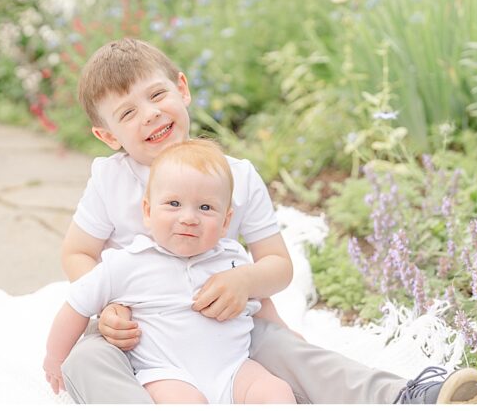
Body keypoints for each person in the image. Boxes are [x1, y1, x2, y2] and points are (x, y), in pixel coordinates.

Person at [56, 38, 477, 404]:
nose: (149, 113)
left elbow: (277, 265)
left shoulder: (237, 175)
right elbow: (78, 251)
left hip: (221, 328)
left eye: (156, 95)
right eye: (127, 113)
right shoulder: (111, 179)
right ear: (109, 136)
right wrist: (107, 305)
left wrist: (244, 283)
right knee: (84, 358)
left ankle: (402, 397)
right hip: (140, 331)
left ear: (182, 89)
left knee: (290, 353)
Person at [45, 139, 296, 404]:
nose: (189, 217)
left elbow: (259, 306)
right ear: (148, 211)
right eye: (174, 204)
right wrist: (55, 356)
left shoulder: (232, 259)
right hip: (168, 374)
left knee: (277, 392)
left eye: (205, 207)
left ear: (225, 222)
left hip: (234, 369)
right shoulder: (127, 263)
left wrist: (287, 336)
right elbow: (76, 305)